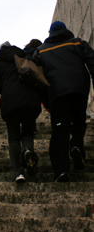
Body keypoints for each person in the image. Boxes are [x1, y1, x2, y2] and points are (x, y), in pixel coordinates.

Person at [33, 21, 94, 182]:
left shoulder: (41, 51)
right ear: (66, 30)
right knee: (79, 121)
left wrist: (46, 102)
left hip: (57, 93)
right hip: (79, 89)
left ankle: (61, 170)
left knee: (60, 130)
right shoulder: (78, 42)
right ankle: (76, 145)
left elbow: (35, 77)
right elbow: (92, 61)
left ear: (50, 33)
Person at [0, 42, 43, 183]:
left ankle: (19, 173)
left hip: (10, 101)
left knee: (13, 137)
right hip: (29, 98)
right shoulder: (23, 56)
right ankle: (27, 151)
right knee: (27, 132)